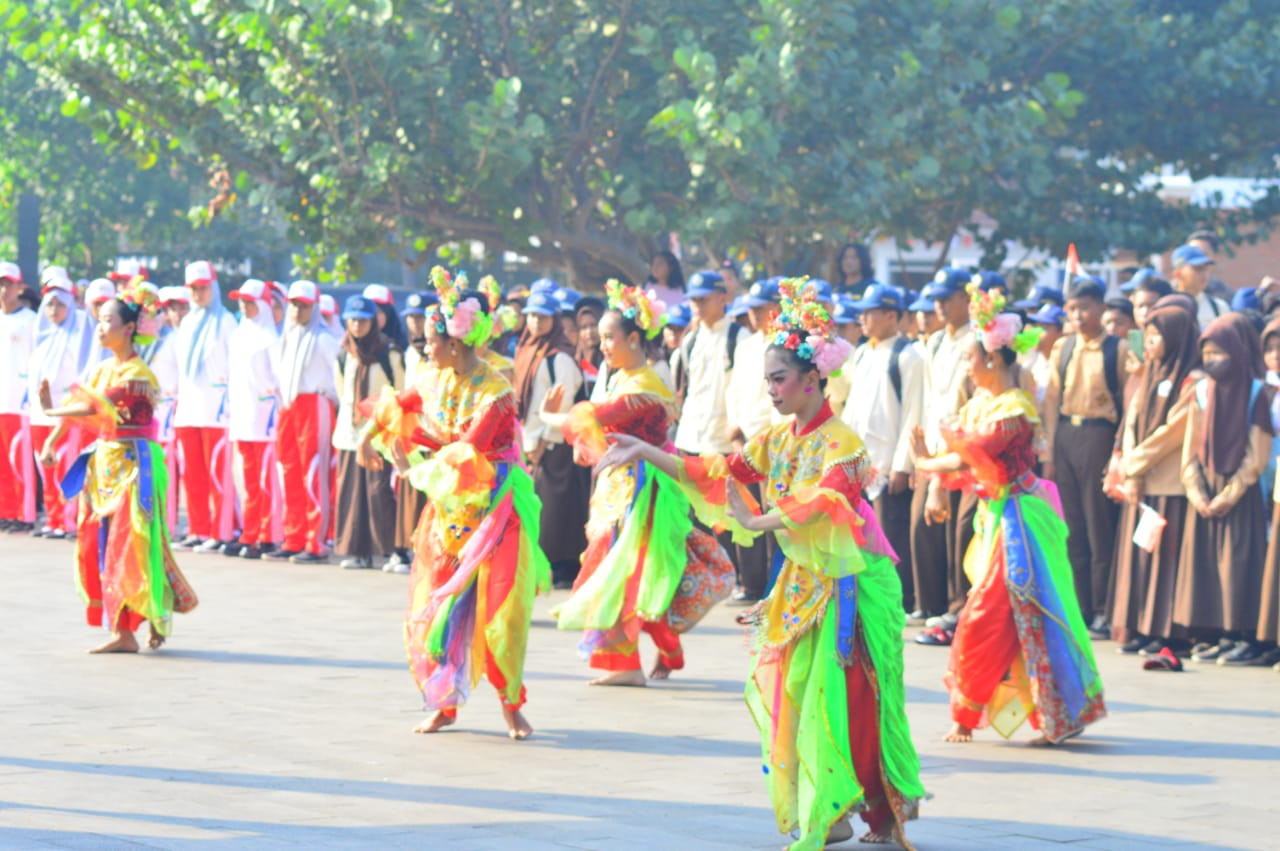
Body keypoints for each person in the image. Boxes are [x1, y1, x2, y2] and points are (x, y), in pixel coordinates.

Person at [597, 277, 923, 848]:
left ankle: (882, 812)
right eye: (768, 380)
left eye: (779, 379)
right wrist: (648, 451)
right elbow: (718, 471)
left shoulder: (844, 444)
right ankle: (830, 809)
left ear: (814, 379)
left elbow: (825, 502)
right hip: (801, 582)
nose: (771, 390)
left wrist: (757, 522)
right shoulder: (777, 438)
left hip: (853, 585)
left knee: (854, 697)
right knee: (791, 696)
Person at [912, 286, 1106, 745]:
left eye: (970, 358)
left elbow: (974, 453)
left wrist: (929, 463)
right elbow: (960, 456)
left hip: (1020, 524)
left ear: (993, 360)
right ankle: (985, 715)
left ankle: (1016, 714)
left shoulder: (1014, 408)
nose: (966, 366)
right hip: (994, 518)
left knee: (1001, 614)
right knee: (1004, 617)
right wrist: (934, 472)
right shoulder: (980, 405)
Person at [358, 269, 548, 738]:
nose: (423, 348)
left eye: (429, 341)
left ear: (456, 344)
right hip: (448, 510)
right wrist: (367, 437)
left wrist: (411, 466)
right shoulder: (434, 376)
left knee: (502, 608)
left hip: (495, 508)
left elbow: (466, 451)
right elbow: (397, 406)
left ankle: (510, 703)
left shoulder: (496, 393)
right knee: (436, 601)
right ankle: (443, 703)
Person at [544, 281, 731, 684]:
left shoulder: (645, 384)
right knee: (631, 572)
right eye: (603, 337)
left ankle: (625, 663)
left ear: (634, 338)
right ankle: (665, 647)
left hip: (648, 490)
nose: (603, 344)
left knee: (628, 571)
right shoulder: (620, 377)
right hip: (619, 487)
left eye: (610, 337)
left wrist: (550, 418)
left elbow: (593, 418)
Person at [36, 284, 197, 653]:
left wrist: (51, 411)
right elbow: (85, 403)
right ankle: (124, 630)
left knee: (134, 547)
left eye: (109, 320)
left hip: (133, 469)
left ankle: (146, 621)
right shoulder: (102, 368)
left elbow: (98, 408)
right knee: (102, 547)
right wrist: (51, 441)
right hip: (104, 468)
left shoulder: (139, 374)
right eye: (99, 320)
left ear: (129, 328)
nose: (100, 327)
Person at [1177, 315, 1274, 665]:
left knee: (1236, 566)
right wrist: (1197, 491)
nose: (1212, 360)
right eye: (1207, 353)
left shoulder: (1254, 393)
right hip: (1205, 489)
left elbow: (1256, 455)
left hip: (1239, 494)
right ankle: (1217, 633)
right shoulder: (1201, 391)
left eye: (1219, 352)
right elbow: (1190, 447)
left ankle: (1240, 635)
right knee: (1207, 564)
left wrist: (1228, 495)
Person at [1109, 303, 1201, 657]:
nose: (1148, 342)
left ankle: (1166, 632)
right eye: (1146, 335)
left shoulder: (1192, 378)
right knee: (1140, 559)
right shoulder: (1150, 373)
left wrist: (1135, 464)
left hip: (1168, 485)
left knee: (1164, 562)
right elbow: (1132, 420)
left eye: (1156, 335)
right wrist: (1132, 467)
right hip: (1140, 481)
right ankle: (1141, 628)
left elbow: (1173, 431)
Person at [1042, 277, 1130, 636]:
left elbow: (1128, 402)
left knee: (1099, 525)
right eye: (1073, 309)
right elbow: (1050, 400)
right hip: (1065, 433)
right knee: (1071, 526)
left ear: (1101, 309)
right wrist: (1048, 451)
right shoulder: (1062, 348)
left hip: (1099, 435)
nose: (1079, 315)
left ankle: (1101, 608)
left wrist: (1119, 450)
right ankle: (1077, 605)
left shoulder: (1118, 350)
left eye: (1085, 307)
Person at [844, 283, 925, 614]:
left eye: (869, 312)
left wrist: (902, 466)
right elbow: (852, 410)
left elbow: (913, 412)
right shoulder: (862, 352)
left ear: (891, 314)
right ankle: (871, 596)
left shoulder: (909, 356)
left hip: (888, 463)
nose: (862, 318)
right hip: (859, 464)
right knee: (862, 538)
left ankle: (896, 601)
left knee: (890, 539)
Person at [913, 269, 978, 643]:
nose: (938, 305)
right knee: (926, 527)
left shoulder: (978, 340)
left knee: (963, 531)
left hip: (966, 448)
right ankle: (938, 605)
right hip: (935, 444)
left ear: (965, 300)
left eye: (946, 297)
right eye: (935, 298)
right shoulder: (936, 340)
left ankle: (959, 608)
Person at [514, 285, 588, 588]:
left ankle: (562, 566)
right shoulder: (527, 350)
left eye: (542, 317)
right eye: (531, 316)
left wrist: (543, 442)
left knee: (557, 510)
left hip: (553, 445)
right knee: (539, 509)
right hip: (530, 444)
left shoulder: (559, 358)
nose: (535, 322)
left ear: (554, 320)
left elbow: (565, 402)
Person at [267, 280, 341, 564]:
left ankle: (315, 540)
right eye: (294, 304)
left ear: (314, 308)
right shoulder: (287, 335)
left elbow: (338, 377)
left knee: (313, 471)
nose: (298, 310)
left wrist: (330, 404)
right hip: (289, 406)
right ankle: (294, 536)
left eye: (304, 305)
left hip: (314, 404)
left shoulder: (323, 338)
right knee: (289, 469)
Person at [332, 294, 404, 570]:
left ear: (374, 322)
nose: (357, 325)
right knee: (352, 493)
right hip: (350, 435)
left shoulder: (389, 353)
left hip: (379, 435)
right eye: (352, 320)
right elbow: (342, 392)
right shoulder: (344, 354)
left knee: (379, 492)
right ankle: (357, 551)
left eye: (363, 320)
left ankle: (389, 551)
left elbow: (398, 392)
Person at [170, 261, 237, 552]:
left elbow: (234, 366)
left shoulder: (226, 321)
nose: (198, 293)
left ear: (213, 287)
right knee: (192, 473)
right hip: (189, 408)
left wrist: (230, 401)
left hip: (216, 409)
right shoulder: (186, 323)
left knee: (216, 473)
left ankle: (221, 531)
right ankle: (198, 528)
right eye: (194, 289)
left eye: (203, 288)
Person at [723, 277, 783, 605]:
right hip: (744, 440)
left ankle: (776, 585)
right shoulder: (746, 344)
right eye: (754, 308)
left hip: (771, 439)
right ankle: (750, 582)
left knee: (773, 513)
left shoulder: (785, 343)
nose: (756, 314)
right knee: (743, 510)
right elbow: (735, 390)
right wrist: (734, 428)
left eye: (763, 307)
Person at [29, 272, 92, 539]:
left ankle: (68, 520)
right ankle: (53, 518)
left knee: (65, 466)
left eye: (60, 304)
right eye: (50, 304)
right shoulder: (42, 336)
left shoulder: (78, 336)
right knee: (45, 468)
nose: (54, 310)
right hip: (39, 413)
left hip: (64, 413)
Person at [226, 279, 282, 559]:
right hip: (241, 418)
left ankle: (267, 534)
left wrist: (271, 403)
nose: (244, 307)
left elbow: (277, 380)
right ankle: (250, 531)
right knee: (245, 479)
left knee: (264, 479)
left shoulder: (271, 340)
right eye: (241, 301)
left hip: (264, 420)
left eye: (249, 302)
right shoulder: (238, 336)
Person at [0, 262, 37, 533]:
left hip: (20, 403)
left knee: (19, 461)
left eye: (7, 284)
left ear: (18, 287)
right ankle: (5, 510)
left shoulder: (31, 321)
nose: (3, 289)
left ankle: (24, 514)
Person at [1170, 244, 1230, 328]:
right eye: (1197, 269)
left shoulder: (1219, 308)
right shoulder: (1166, 306)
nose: (1204, 274)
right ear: (1178, 274)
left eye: (1205, 269)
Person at [1022, 304, 1066, 409]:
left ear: (1060, 332)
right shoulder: (1031, 364)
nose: (1037, 332)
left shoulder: (1066, 365)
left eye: (1044, 328)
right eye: (1036, 326)